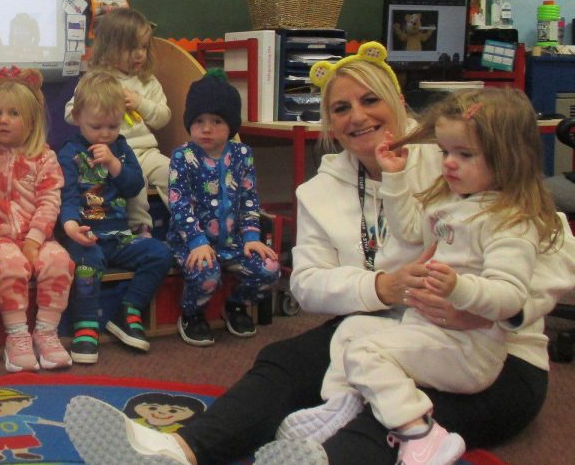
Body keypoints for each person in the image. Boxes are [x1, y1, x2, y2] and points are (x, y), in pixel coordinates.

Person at [62, 42, 575, 465]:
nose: (357, 117)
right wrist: (382, 287)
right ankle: (178, 452)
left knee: (387, 417)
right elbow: (307, 284)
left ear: (397, 101)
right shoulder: (321, 189)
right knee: (283, 364)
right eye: (340, 108)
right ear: (328, 121)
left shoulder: (455, 161)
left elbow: (552, 246)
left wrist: (498, 308)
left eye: (370, 100)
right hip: (385, 327)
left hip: (495, 351)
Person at [278, 86, 563, 463]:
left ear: (507, 158)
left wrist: (460, 288)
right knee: (351, 331)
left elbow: (510, 295)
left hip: (470, 349)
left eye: (465, 155)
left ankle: (420, 433)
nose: (449, 163)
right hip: (430, 329)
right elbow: (411, 230)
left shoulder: (509, 222)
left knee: (366, 351)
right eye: (445, 152)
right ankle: (341, 406)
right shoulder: (455, 201)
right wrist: (395, 178)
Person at [0, 67, 73, 372]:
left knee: (59, 261)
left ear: (32, 120)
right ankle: (17, 335)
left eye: (12, 113)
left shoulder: (45, 157)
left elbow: (50, 202)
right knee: (11, 265)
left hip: (39, 236)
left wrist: (34, 241)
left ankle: (46, 332)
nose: (2, 120)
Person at [58, 70, 173, 364]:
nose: (105, 134)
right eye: (96, 126)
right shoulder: (69, 154)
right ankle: (85, 325)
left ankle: (129, 309)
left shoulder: (121, 149)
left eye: (113, 125)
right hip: (86, 238)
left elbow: (135, 186)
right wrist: (71, 227)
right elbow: (66, 196)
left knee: (160, 253)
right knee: (87, 264)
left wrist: (113, 165)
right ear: (78, 117)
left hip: (120, 238)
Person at [168, 69, 280, 343]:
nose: (206, 128)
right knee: (206, 273)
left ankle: (236, 306)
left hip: (234, 242)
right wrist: (196, 242)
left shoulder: (243, 155)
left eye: (216, 121)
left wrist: (252, 236)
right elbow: (179, 204)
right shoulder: (183, 156)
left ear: (231, 124)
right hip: (191, 242)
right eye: (199, 121)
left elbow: (250, 198)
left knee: (269, 268)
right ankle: (192, 314)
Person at [65, 7, 171, 236]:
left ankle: (188, 223)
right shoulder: (97, 81)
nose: (139, 54)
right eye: (131, 47)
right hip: (117, 153)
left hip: (146, 152)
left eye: (144, 47)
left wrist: (140, 103)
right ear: (110, 48)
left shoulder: (148, 81)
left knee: (172, 172)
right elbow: (70, 112)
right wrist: (98, 106)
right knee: (137, 181)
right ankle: (140, 227)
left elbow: (163, 118)